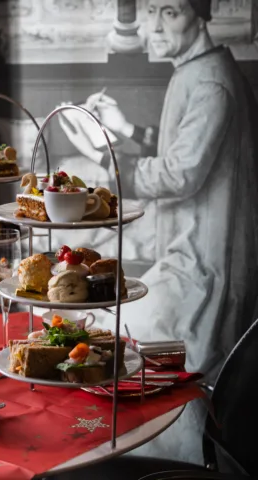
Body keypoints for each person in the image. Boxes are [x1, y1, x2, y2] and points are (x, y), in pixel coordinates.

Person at [61, 0, 258, 464]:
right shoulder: (199, 72)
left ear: (201, 14)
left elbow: (180, 174)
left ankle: (168, 464)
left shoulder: (212, 83)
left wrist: (106, 164)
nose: (155, 27)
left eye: (169, 12)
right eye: (152, 14)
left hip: (205, 267)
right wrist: (125, 128)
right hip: (187, 254)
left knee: (117, 339)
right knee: (115, 339)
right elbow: (180, 148)